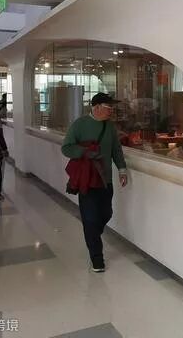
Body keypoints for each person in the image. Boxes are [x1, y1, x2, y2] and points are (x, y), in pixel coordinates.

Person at [61, 92, 128, 273]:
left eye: (112, 108)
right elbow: (66, 148)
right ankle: (97, 258)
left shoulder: (110, 127)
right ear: (97, 107)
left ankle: (92, 237)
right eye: (109, 107)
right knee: (90, 218)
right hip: (87, 181)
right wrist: (84, 152)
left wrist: (122, 169)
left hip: (105, 180)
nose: (111, 111)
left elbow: (116, 150)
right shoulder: (79, 125)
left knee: (106, 213)